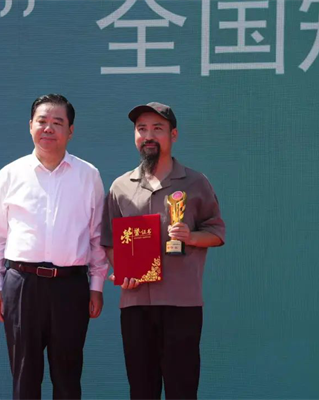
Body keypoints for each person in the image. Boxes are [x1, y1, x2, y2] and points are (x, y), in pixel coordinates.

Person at [0, 94, 109, 400]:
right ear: (30, 126)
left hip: (70, 286)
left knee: (68, 376)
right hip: (21, 285)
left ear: (70, 131)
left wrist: (97, 286)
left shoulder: (88, 175)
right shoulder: (10, 174)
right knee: (25, 376)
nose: (48, 128)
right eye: (42, 121)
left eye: (57, 122)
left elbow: (96, 236)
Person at [101, 102, 226, 400]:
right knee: (141, 389)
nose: (148, 135)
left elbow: (216, 232)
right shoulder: (120, 187)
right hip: (135, 305)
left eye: (157, 128)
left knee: (182, 389)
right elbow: (109, 241)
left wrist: (191, 236)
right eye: (141, 129)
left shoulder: (196, 182)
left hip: (181, 303)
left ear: (173, 135)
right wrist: (124, 271)